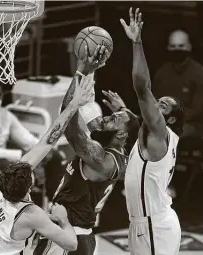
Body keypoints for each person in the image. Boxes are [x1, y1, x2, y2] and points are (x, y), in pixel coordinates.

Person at [34, 46, 139, 255]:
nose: (106, 119)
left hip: (68, 234)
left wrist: (81, 72)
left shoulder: (100, 159)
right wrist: (122, 111)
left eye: (113, 120)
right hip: (79, 235)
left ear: (121, 135)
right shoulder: (119, 156)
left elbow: (67, 115)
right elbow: (128, 128)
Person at [0, 74, 95, 255]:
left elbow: (47, 142)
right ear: (29, 188)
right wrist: (63, 220)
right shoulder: (31, 215)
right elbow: (71, 244)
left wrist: (73, 104)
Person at [120, 7, 185, 255]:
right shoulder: (155, 136)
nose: (156, 105)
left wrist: (137, 43)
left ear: (168, 120)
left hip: (153, 226)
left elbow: (141, 86)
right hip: (147, 223)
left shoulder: (160, 134)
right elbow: (140, 124)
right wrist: (124, 110)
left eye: (163, 106)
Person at [153, 29, 203, 138]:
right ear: (168, 48)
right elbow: (155, 100)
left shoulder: (199, 73)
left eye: (181, 46)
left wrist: (174, 118)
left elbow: (197, 109)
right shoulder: (162, 72)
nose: (177, 50)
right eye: (173, 46)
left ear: (189, 47)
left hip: (190, 124)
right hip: (162, 120)